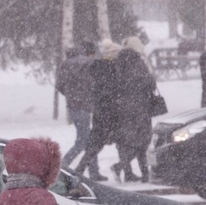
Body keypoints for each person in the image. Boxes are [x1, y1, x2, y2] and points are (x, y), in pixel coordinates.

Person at [72, 39, 125, 179]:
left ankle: (79, 171)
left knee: (95, 145)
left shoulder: (98, 68)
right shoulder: (110, 70)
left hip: (101, 113)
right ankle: (123, 169)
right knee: (121, 142)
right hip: (110, 113)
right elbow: (109, 92)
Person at [58, 41, 105, 181]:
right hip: (86, 105)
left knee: (88, 139)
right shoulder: (88, 62)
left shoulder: (65, 65)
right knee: (83, 142)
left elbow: (59, 85)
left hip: (73, 107)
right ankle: (61, 167)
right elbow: (95, 81)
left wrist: (71, 95)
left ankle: (94, 171)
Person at [112, 47, 157, 182]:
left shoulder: (118, 68)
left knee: (129, 142)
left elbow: (116, 89)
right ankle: (125, 168)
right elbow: (150, 85)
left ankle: (138, 172)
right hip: (141, 110)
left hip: (123, 111)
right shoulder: (139, 66)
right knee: (143, 142)